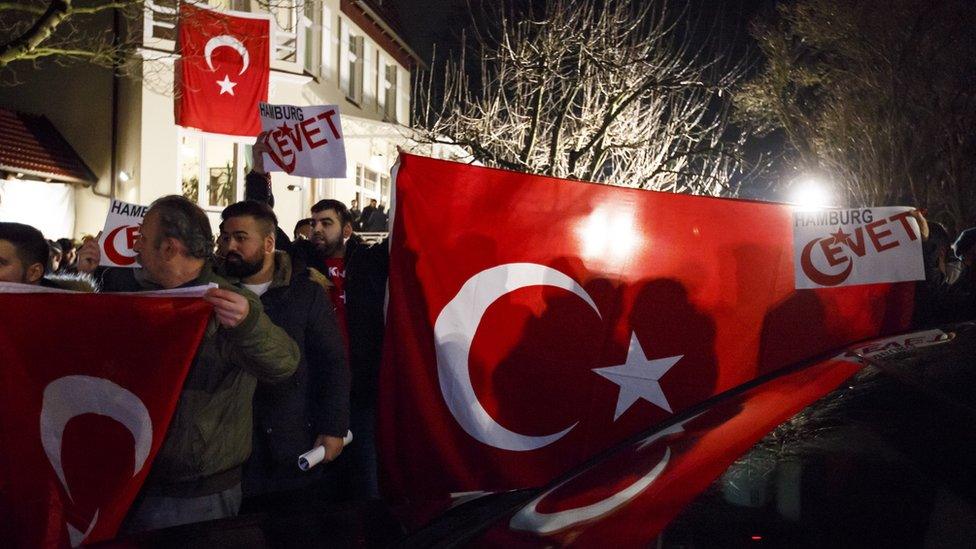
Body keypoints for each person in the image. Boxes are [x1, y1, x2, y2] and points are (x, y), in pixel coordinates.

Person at [76, 195, 300, 532]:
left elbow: (284, 364)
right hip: (133, 479)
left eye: (142, 238)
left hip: (197, 495)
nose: (135, 246)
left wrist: (248, 325)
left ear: (168, 248)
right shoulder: (135, 294)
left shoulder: (228, 303)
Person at [216, 200, 350, 510]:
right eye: (224, 237)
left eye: (240, 237)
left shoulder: (305, 292)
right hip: (230, 453)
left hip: (291, 448)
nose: (229, 246)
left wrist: (332, 428)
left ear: (268, 243)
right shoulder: (213, 289)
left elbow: (331, 363)